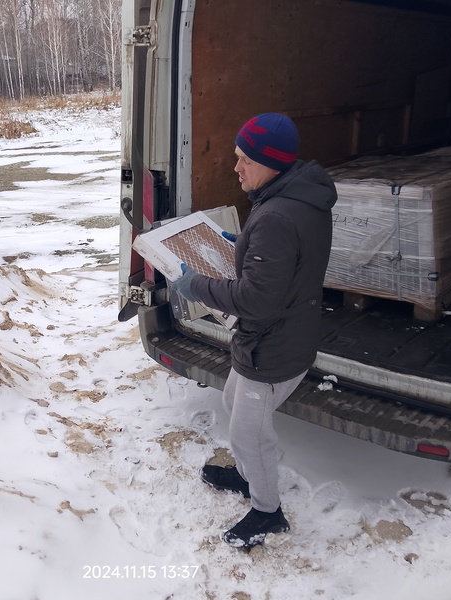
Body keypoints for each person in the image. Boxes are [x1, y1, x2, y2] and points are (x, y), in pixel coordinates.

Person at [169, 113, 337, 549]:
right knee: (230, 398)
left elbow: (257, 299)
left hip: (274, 346)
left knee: (249, 432)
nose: (236, 168)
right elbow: (283, 262)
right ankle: (247, 477)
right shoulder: (298, 197)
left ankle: (267, 511)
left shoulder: (277, 215)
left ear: (271, 163)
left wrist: (195, 285)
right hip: (275, 333)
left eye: (245, 160)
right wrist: (241, 247)